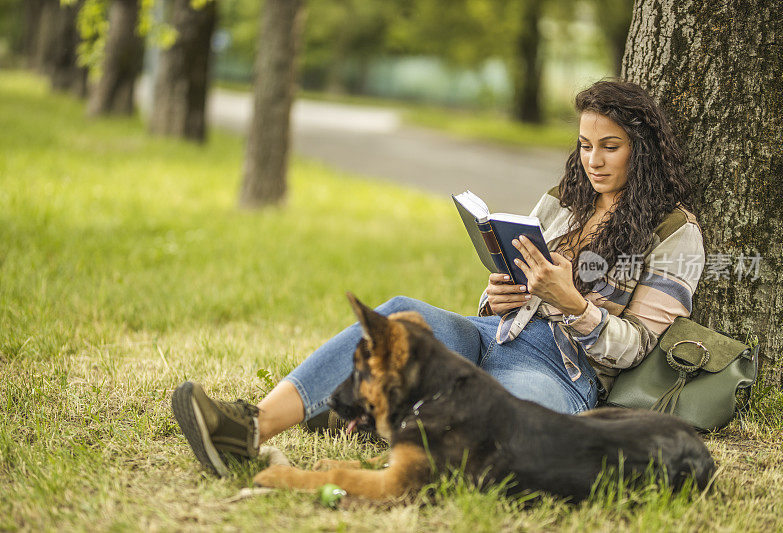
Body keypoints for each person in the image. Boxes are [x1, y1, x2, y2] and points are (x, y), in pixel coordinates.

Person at [171, 79, 706, 477]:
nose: (592, 160)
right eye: (585, 145)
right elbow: (508, 287)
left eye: (609, 147)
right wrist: (497, 295)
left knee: (503, 429)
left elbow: (636, 348)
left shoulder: (676, 234)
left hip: (564, 371)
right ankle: (247, 430)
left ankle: (381, 424)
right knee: (404, 314)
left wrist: (573, 305)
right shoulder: (564, 202)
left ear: (643, 147)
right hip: (494, 333)